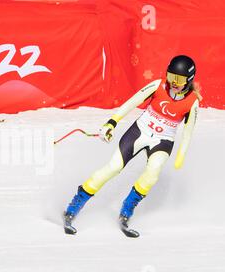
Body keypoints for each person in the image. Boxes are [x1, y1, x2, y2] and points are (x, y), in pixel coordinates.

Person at [64, 55, 201, 237]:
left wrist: (181, 155)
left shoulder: (192, 102)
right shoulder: (157, 85)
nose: (174, 83)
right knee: (113, 168)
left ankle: (127, 211)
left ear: (189, 80)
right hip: (139, 132)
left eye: (180, 79)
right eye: (171, 77)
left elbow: (188, 132)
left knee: (152, 173)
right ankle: (74, 206)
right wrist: (112, 122)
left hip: (163, 141)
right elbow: (132, 102)